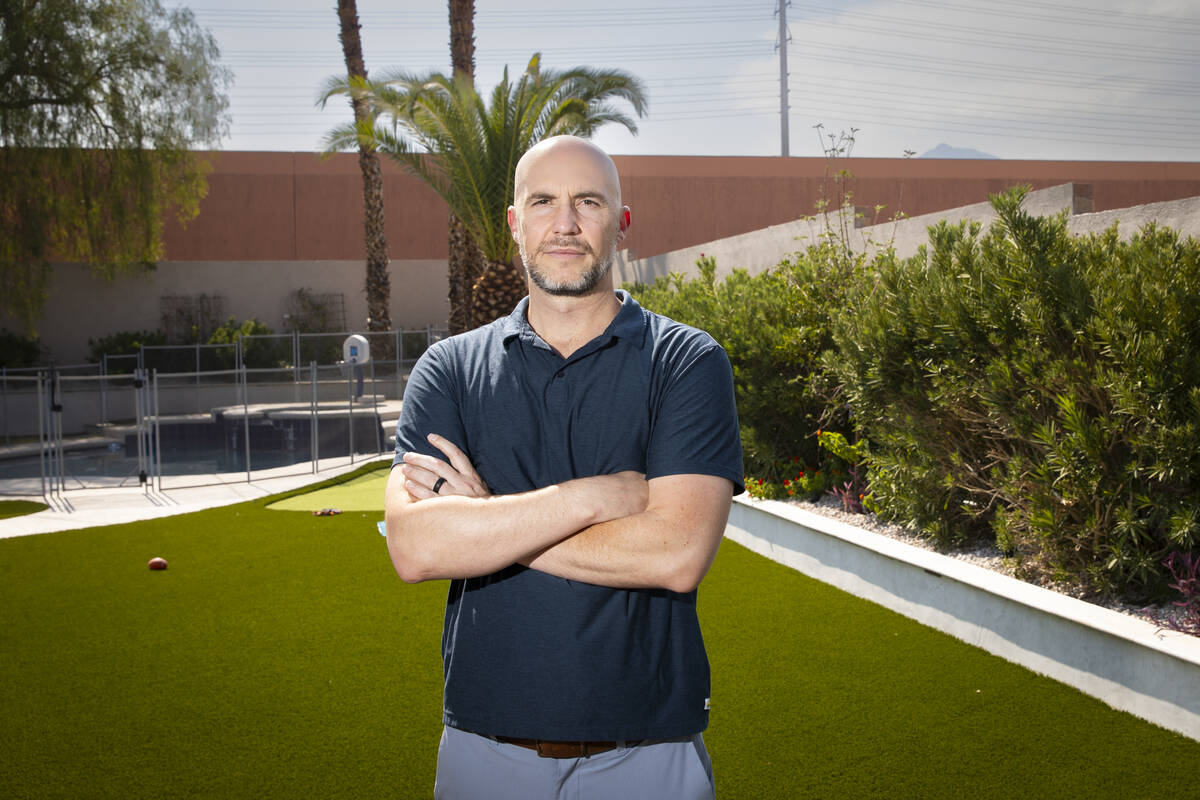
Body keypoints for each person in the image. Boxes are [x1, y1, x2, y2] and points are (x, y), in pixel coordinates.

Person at [384, 135, 743, 800]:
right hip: (485, 752)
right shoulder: (449, 370)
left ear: (621, 221)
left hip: (649, 755)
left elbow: (676, 553)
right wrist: (590, 498)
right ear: (515, 223)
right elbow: (416, 548)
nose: (566, 223)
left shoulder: (687, 361)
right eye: (544, 202)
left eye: (589, 202)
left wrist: (484, 519)